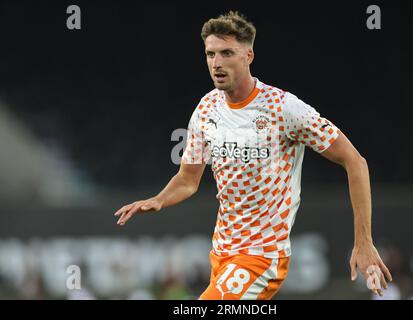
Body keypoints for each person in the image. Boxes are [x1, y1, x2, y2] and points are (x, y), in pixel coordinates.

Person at [114, 11, 392, 300]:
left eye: (227, 53)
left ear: (249, 56)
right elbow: (187, 179)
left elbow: (356, 162)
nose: (216, 63)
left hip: (263, 256)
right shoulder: (206, 108)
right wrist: (159, 199)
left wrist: (364, 241)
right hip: (222, 254)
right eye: (210, 54)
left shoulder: (283, 108)